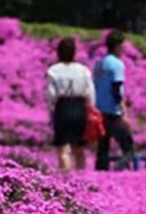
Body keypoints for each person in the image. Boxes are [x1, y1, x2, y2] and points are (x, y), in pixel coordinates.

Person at [46, 38, 95, 171]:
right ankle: (81, 177)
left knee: (63, 149)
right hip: (80, 107)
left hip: (62, 107)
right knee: (79, 148)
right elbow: (90, 93)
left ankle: (66, 178)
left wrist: (51, 110)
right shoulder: (83, 70)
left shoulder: (53, 70)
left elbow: (51, 95)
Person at [94, 31, 135, 171]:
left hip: (99, 111)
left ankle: (100, 177)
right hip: (113, 112)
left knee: (102, 150)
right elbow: (116, 89)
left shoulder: (99, 64)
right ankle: (116, 172)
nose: (125, 47)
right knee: (129, 150)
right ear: (117, 46)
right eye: (123, 44)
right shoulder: (117, 64)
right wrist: (124, 112)